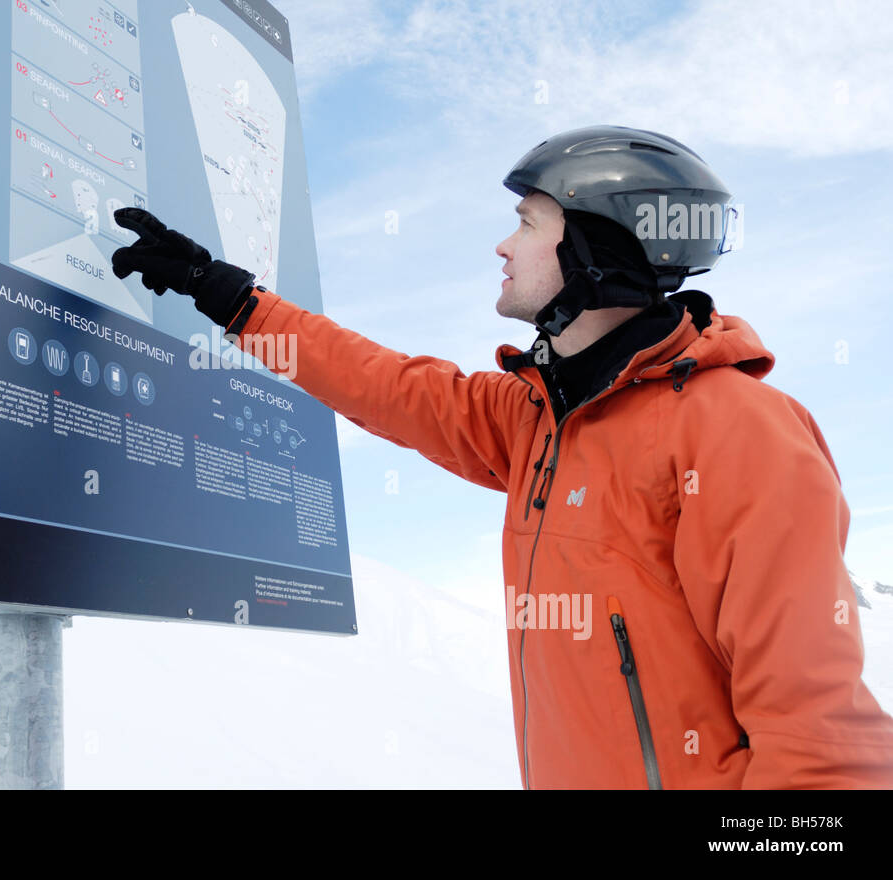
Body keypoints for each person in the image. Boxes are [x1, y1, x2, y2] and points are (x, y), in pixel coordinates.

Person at [109, 125, 893, 789]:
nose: (502, 244)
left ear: (595, 247)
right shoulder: (537, 421)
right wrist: (232, 298)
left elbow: (820, 738)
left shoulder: (736, 429)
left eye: (527, 222)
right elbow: (389, 387)